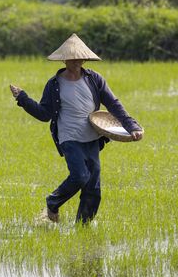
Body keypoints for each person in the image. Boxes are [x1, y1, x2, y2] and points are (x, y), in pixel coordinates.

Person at [10, 33, 143, 224]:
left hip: (92, 138)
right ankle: (52, 202)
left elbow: (113, 104)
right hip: (69, 138)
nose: (76, 61)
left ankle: (83, 228)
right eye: (72, 58)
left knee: (93, 188)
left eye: (80, 57)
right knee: (80, 176)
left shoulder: (94, 79)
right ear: (64, 59)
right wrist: (23, 99)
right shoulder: (54, 84)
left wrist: (132, 126)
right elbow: (44, 114)